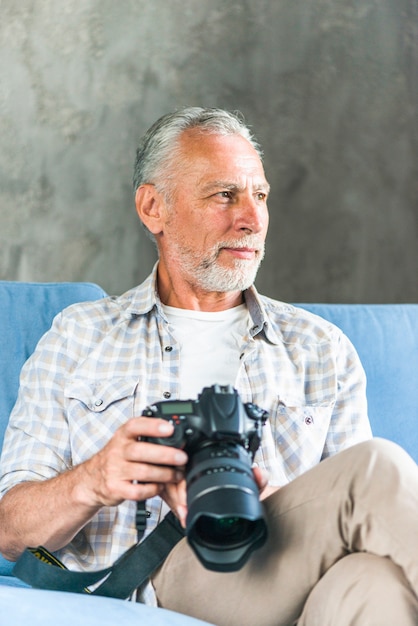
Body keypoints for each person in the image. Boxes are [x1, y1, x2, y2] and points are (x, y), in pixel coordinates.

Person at [0, 107, 417, 626]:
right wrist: (97, 479)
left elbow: (352, 525)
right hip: (155, 582)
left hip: (281, 563)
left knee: (372, 584)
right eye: (224, 195)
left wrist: (279, 502)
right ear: (154, 207)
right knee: (377, 469)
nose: (252, 218)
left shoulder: (319, 348)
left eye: (259, 195)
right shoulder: (80, 335)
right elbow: (10, 530)